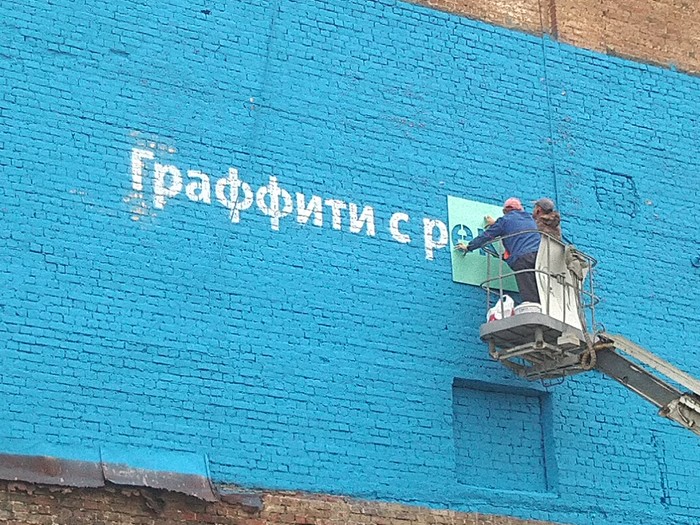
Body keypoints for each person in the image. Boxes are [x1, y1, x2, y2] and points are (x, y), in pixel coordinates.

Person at [456, 197, 540, 304]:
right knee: (540, 286)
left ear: (505, 211)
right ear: (521, 209)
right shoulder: (530, 218)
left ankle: (533, 308)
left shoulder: (504, 221)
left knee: (529, 292)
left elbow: (486, 236)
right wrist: (495, 223)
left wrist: (469, 247)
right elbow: (517, 225)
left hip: (522, 258)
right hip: (539, 256)